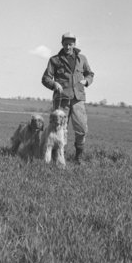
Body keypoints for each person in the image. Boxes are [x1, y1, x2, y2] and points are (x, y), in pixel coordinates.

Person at [41, 32, 94, 164]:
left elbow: (90, 74)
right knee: (60, 129)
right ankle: (59, 156)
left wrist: (86, 81)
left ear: (74, 44)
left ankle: (78, 157)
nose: (68, 47)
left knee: (81, 128)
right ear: (62, 44)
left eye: (70, 44)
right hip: (61, 99)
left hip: (78, 99)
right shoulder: (55, 60)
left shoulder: (82, 58)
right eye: (65, 44)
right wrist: (54, 84)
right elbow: (45, 78)